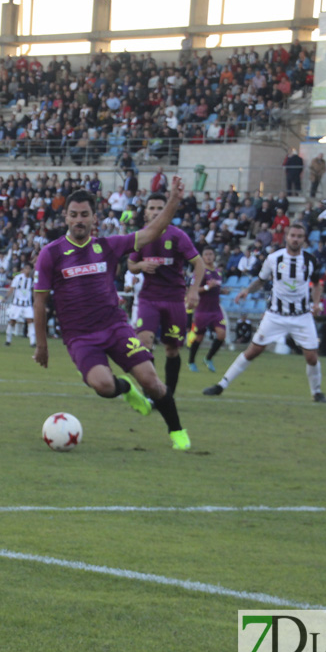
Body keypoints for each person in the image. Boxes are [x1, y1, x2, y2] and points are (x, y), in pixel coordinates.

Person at [33, 182, 193, 451]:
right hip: (81, 337)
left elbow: (151, 231)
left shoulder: (108, 246)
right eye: (74, 214)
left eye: (84, 214)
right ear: (66, 217)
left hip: (115, 327)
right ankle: (126, 390)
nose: (79, 220)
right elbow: (40, 301)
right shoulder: (51, 254)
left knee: (151, 381)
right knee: (104, 386)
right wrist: (42, 345)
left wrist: (174, 201)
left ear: (95, 218)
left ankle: (177, 431)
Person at [203, 223, 326, 403]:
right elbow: (261, 281)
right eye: (293, 235)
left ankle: (316, 392)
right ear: (287, 236)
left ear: (304, 239)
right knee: (253, 351)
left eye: (299, 236)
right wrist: (247, 290)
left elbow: (317, 284)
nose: (295, 239)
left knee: (311, 356)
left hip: (301, 316)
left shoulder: (310, 260)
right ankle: (221, 384)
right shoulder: (273, 258)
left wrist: (316, 304)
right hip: (275, 315)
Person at [126, 192, 205, 396]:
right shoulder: (141, 236)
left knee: (172, 349)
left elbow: (199, 263)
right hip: (148, 298)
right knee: (143, 344)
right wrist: (141, 265)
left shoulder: (177, 236)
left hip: (174, 299)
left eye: (160, 208)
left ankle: (168, 394)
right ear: (145, 213)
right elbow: (131, 264)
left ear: (167, 212)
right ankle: (151, 392)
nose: (155, 212)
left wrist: (194, 290)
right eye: (151, 208)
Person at [185, 246, 228, 372]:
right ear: (202, 257)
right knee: (199, 337)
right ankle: (191, 361)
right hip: (202, 310)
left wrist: (222, 291)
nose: (209, 256)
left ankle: (208, 358)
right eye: (206, 254)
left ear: (214, 256)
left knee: (221, 334)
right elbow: (193, 289)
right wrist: (207, 288)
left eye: (211, 254)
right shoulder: (200, 271)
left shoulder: (218, 272)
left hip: (215, 310)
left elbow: (216, 288)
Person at [4, 262, 36, 347]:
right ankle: (8, 340)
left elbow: (33, 291)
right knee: (12, 321)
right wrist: (6, 297)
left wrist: (36, 301)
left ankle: (32, 342)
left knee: (30, 321)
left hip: (27, 304)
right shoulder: (18, 278)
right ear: (23, 269)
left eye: (29, 269)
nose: (28, 270)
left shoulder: (32, 279)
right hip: (16, 304)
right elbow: (12, 288)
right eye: (26, 268)